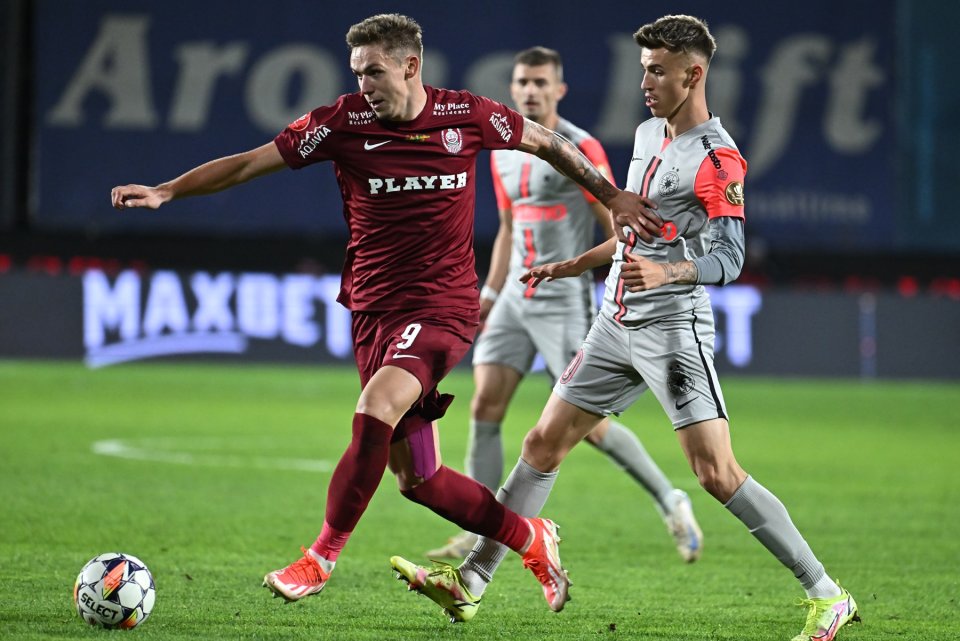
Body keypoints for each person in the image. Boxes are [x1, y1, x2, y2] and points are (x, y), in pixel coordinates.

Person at [109, 13, 663, 620]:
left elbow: (549, 142)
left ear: (409, 65)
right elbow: (248, 164)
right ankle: (530, 536)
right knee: (417, 479)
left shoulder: (465, 117)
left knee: (375, 408)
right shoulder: (340, 124)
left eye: (374, 71)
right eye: (357, 72)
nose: (364, 83)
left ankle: (319, 558)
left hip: (443, 306)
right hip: (372, 310)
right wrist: (168, 190)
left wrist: (610, 197)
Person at [391, 15, 861, 641]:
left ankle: (827, 594)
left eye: (657, 70)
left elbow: (729, 259)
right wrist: (577, 264)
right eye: (643, 69)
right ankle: (473, 582)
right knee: (541, 445)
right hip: (612, 323)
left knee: (716, 473)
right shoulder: (646, 135)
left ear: (694, 74)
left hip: (673, 334)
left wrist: (665, 274)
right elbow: (631, 234)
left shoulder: (718, 159)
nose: (644, 82)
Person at [425, 46, 702, 564]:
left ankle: (671, 498)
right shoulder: (501, 149)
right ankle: (477, 527)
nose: (530, 90)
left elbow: (614, 224)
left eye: (540, 83)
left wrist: (620, 286)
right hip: (514, 296)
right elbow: (509, 226)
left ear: (558, 90)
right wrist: (490, 291)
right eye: (522, 82)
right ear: (512, 88)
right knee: (484, 405)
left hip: (563, 300)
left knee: (590, 428)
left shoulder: (580, 146)